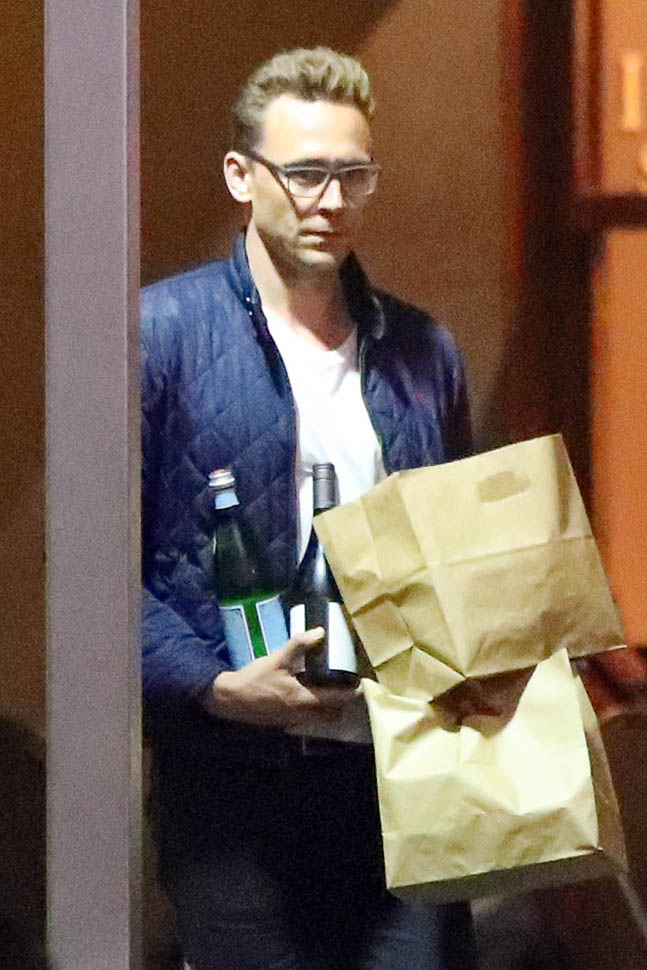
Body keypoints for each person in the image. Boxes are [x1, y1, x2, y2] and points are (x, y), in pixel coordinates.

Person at [141, 46, 478, 970]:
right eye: (304, 174)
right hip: (233, 785)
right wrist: (211, 684)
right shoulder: (161, 336)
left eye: (353, 175)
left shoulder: (421, 350)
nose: (330, 200)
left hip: (401, 771)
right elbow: (97, 571)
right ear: (240, 176)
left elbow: (459, 555)